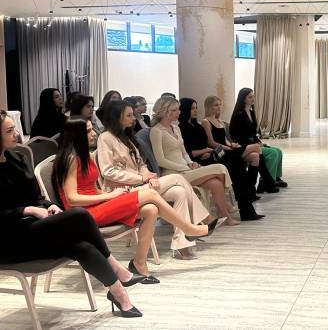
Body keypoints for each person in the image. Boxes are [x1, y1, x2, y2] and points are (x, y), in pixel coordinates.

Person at [0, 109, 142, 318]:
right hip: (8, 239)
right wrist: (27, 210)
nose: (17, 134)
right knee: (79, 215)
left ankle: (119, 294)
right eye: (9, 131)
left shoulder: (16, 158)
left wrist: (49, 205)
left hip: (32, 228)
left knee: (82, 247)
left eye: (15, 129)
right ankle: (118, 270)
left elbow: (35, 196)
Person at [53, 118, 214, 284]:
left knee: (151, 209)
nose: (93, 133)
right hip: (83, 214)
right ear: (76, 135)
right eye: (88, 131)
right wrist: (109, 196)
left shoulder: (86, 156)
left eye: (91, 128)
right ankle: (189, 229)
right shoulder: (70, 159)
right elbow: (72, 199)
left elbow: (92, 189)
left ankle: (139, 264)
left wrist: (110, 194)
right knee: (151, 194)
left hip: (97, 205)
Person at [96, 100, 215, 261]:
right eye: (129, 115)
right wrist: (141, 178)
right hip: (121, 191)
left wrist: (148, 176)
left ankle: (182, 245)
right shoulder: (105, 138)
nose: (133, 118)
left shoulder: (127, 137)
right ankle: (203, 220)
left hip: (140, 186)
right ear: (117, 117)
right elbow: (107, 171)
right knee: (178, 178)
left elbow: (141, 164)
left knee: (179, 192)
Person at [150, 96, 246, 226]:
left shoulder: (176, 128)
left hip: (186, 169)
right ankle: (228, 203)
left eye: (178, 109)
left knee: (216, 183)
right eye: (175, 110)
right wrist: (184, 167)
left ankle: (225, 216)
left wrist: (190, 162)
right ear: (165, 112)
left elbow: (184, 152)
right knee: (220, 168)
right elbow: (160, 160)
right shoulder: (156, 131)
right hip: (174, 174)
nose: (179, 112)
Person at [200, 96, 265, 219]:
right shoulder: (206, 121)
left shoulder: (219, 121)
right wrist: (227, 147)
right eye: (216, 105)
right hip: (221, 154)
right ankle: (254, 188)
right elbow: (211, 142)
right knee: (256, 148)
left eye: (220, 104)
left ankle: (250, 190)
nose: (219, 107)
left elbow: (224, 139)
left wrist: (231, 144)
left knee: (255, 156)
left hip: (228, 150)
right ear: (209, 107)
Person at [229, 88, 288, 192]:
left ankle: (276, 177)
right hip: (245, 146)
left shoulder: (251, 112)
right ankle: (266, 182)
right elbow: (239, 136)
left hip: (253, 143)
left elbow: (252, 132)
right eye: (250, 97)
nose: (253, 99)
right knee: (273, 153)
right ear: (243, 99)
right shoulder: (239, 115)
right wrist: (254, 143)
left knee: (278, 151)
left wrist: (258, 141)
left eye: (253, 96)